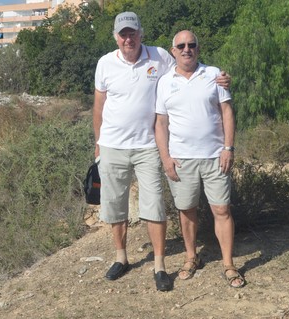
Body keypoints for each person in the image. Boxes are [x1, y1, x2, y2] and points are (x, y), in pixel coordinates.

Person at [93, 13, 231, 292]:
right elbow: (98, 106)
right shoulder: (105, 63)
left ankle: (159, 265)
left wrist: (221, 78)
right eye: (123, 34)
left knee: (154, 205)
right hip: (112, 145)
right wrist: (97, 144)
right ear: (116, 37)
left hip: (146, 146)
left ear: (141, 34)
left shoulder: (159, 57)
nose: (128, 39)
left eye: (132, 33)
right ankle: (121, 258)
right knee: (115, 204)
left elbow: (189, 65)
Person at [154, 30, 245, 288]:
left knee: (222, 209)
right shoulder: (164, 81)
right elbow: (161, 123)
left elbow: (227, 112)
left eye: (191, 45)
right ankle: (191, 257)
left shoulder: (213, 74)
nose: (186, 49)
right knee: (187, 211)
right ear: (173, 51)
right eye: (181, 45)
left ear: (198, 48)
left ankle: (228, 264)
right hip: (181, 159)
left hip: (215, 156)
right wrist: (166, 158)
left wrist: (228, 147)